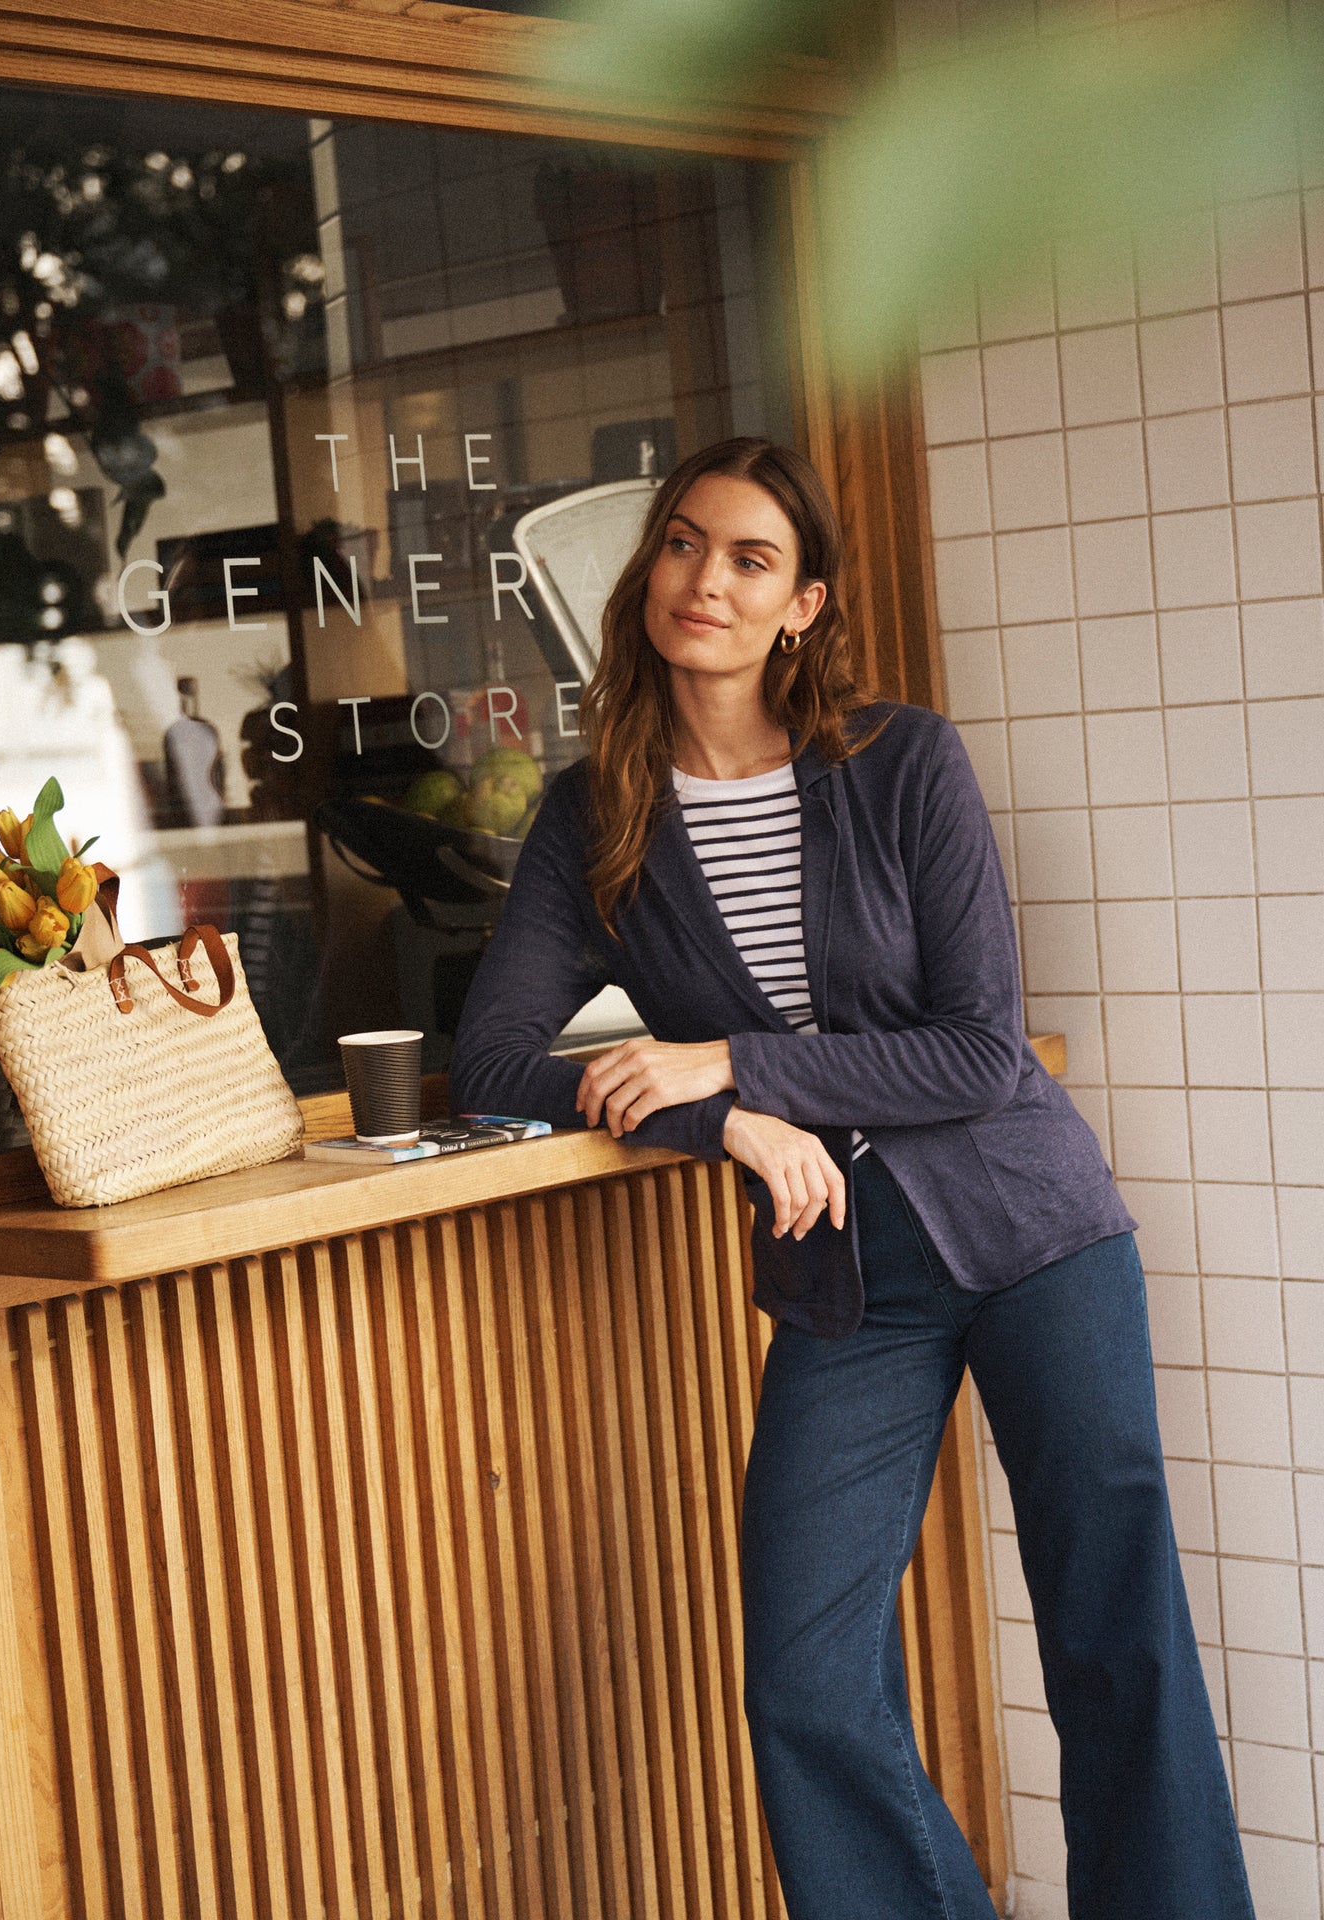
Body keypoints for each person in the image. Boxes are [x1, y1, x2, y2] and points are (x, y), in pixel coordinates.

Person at [448, 437, 1255, 1920]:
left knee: (1111, 1633)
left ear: (804, 603)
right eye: (686, 544)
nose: (707, 581)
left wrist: (734, 1066)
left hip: (1033, 1233)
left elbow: (981, 1056)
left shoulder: (900, 761)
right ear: (647, 576)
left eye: (752, 558)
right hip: (849, 1275)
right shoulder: (595, 815)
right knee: (808, 1678)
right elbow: (492, 1059)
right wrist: (718, 1124)